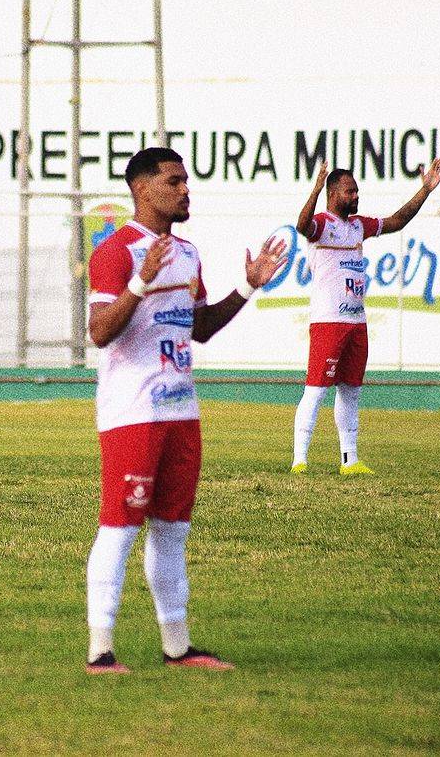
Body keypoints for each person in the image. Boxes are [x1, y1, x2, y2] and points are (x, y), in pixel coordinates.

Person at [84, 147, 289, 674]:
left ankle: (178, 647)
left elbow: (199, 327)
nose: (184, 190)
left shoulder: (189, 254)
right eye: (173, 182)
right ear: (141, 189)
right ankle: (101, 651)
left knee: (172, 529)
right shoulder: (116, 252)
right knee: (122, 526)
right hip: (132, 413)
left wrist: (248, 286)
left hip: (182, 410)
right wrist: (138, 283)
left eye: (185, 181)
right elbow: (100, 332)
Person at [290, 158, 440, 475]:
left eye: (357, 191)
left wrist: (425, 190)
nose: (356, 196)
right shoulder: (322, 224)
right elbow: (301, 226)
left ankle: (350, 459)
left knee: (350, 390)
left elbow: (398, 220)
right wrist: (315, 189)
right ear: (333, 194)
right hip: (328, 322)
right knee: (316, 389)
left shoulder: (359, 225)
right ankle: (300, 460)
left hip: (356, 322)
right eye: (350, 191)